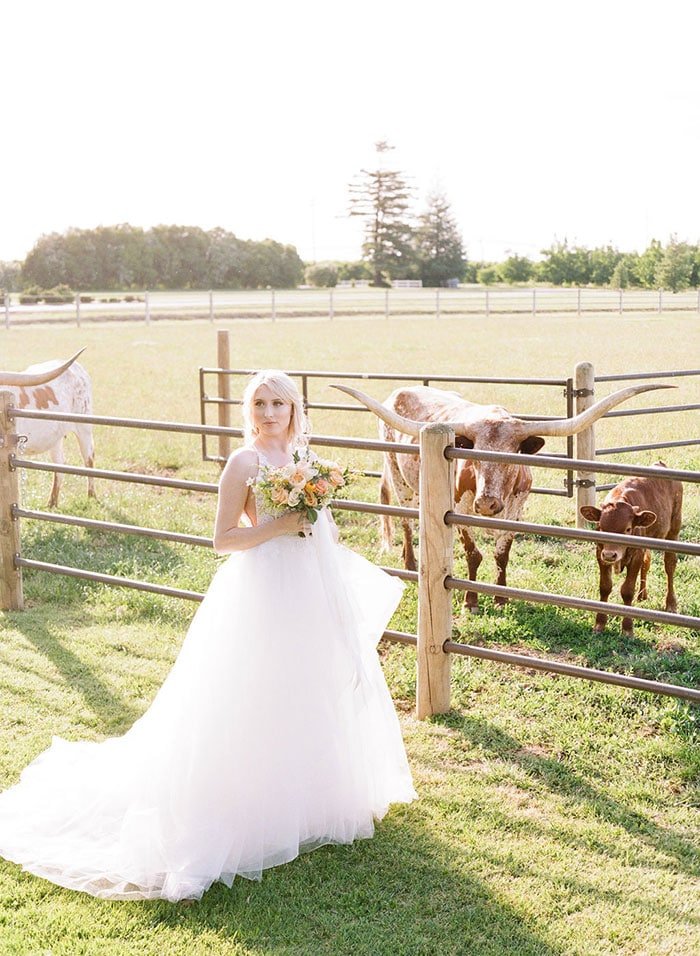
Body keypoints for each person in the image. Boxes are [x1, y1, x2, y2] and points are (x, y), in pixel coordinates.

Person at [0, 370, 416, 901]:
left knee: (306, 688)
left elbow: (320, 529)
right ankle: (244, 804)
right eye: (259, 404)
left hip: (308, 587)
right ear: (250, 411)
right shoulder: (243, 463)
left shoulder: (307, 462)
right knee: (251, 692)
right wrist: (280, 527)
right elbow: (223, 539)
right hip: (261, 587)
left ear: (294, 409)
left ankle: (306, 797)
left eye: (278, 404)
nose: (268, 413)